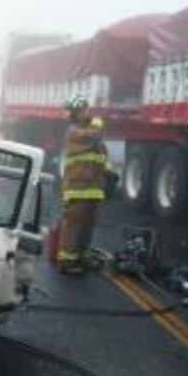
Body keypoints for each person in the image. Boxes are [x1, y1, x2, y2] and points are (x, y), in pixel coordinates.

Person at [57, 96, 110, 275]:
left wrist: (109, 178)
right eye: (84, 109)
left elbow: (101, 158)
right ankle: (66, 261)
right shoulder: (74, 132)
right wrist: (96, 124)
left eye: (87, 108)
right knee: (73, 226)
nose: (88, 111)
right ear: (75, 113)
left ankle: (80, 257)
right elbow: (92, 136)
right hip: (77, 189)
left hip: (92, 190)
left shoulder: (91, 135)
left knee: (87, 227)